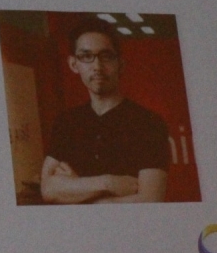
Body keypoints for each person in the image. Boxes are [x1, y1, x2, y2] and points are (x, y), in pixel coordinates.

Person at [40, 17, 169, 204]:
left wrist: (75, 188)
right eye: (86, 56)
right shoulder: (66, 122)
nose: (97, 67)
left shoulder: (149, 123)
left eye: (106, 56)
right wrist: (107, 183)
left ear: (120, 64)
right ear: (74, 64)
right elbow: (47, 189)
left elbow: (151, 199)